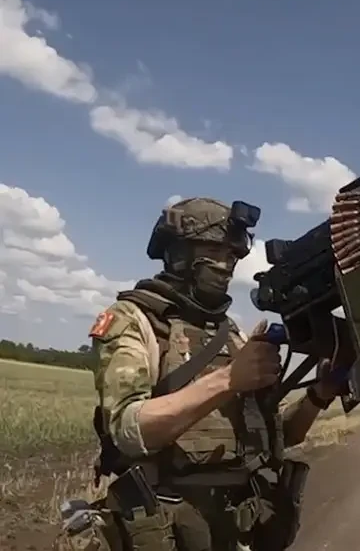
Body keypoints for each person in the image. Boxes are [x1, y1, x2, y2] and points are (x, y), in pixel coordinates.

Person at [70, 197, 342, 551]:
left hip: (234, 531)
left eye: (232, 256)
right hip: (166, 530)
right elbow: (127, 430)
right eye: (214, 251)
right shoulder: (134, 320)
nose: (226, 265)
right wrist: (229, 380)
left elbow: (277, 438)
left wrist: (319, 395)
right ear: (178, 253)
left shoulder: (232, 335)